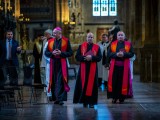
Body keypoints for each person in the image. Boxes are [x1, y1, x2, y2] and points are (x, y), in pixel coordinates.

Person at [73, 32, 102, 108]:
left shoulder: (97, 47)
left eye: (91, 37)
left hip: (93, 69)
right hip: (83, 69)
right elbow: (77, 56)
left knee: (92, 86)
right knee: (83, 84)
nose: (90, 38)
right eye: (89, 37)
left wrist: (92, 58)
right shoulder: (81, 46)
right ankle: (84, 101)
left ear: (93, 38)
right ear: (86, 38)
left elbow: (99, 57)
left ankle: (91, 102)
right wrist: (85, 58)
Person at [45, 27, 73, 105]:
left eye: (54, 33)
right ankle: (56, 98)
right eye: (53, 33)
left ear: (59, 33)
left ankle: (60, 98)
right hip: (53, 63)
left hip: (62, 64)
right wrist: (52, 53)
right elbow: (46, 53)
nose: (53, 34)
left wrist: (61, 53)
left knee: (61, 81)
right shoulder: (50, 41)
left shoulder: (66, 41)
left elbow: (70, 53)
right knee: (54, 81)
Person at [107, 31, 134, 104]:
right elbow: (109, 54)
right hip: (114, 67)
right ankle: (114, 97)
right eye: (119, 35)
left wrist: (124, 54)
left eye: (122, 35)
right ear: (117, 36)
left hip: (124, 67)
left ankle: (122, 98)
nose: (120, 36)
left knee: (122, 82)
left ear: (124, 36)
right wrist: (116, 54)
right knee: (114, 82)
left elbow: (132, 53)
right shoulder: (113, 44)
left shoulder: (128, 44)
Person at [40, 29, 53, 99]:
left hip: (50, 60)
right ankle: (46, 89)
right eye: (45, 34)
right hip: (45, 59)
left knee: (49, 76)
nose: (45, 36)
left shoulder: (52, 40)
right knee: (45, 75)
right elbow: (43, 51)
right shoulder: (45, 40)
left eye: (46, 34)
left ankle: (49, 90)